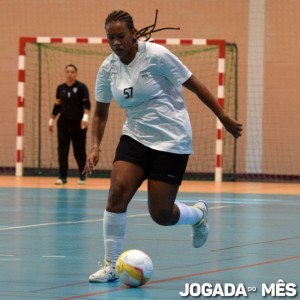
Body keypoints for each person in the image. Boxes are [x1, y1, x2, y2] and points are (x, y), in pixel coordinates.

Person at [84, 10, 243, 283]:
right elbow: (100, 112)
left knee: (161, 214)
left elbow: (196, 85)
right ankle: (111, 264)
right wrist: (95, 146)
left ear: (133, 34)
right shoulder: (108, 68)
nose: (116, 43)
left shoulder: (157, 56)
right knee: (116, 194)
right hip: (134, 137)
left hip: (171, 141)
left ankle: (197, 215)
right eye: (111, 38)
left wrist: (223, 118)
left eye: (121, 36)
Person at [49, 64, 91, 185]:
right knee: (62, 150)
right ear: (65, 73)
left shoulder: (82, 87)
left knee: (79, 151)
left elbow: (87, 105)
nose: (69, 74)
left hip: (78, 124)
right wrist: (51, 120)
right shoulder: (60, 88)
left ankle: (83, 176)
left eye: (72, 72)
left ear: (76, 73)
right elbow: (57, 105)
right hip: (63, 124)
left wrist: (85, 118)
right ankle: (62, 177)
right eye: (67, 71)